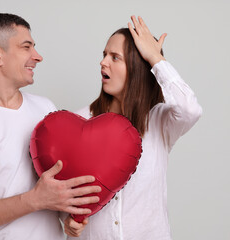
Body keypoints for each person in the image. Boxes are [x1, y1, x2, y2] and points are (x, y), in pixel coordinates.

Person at [0, 13, 101, 240]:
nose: (38, 56)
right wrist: (35, 199)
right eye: (26, 47)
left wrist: (69, 218)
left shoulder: (45, 108)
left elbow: (56, 185)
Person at [63, 16, 202, 239]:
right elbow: (65, 190)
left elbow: (190, 109)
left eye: (115, 57)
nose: (103, 62)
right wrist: (67, 220)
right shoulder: (79, 121)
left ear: (137, 67)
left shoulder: (159, 121)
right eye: (104, 55)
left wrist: (155, 59)